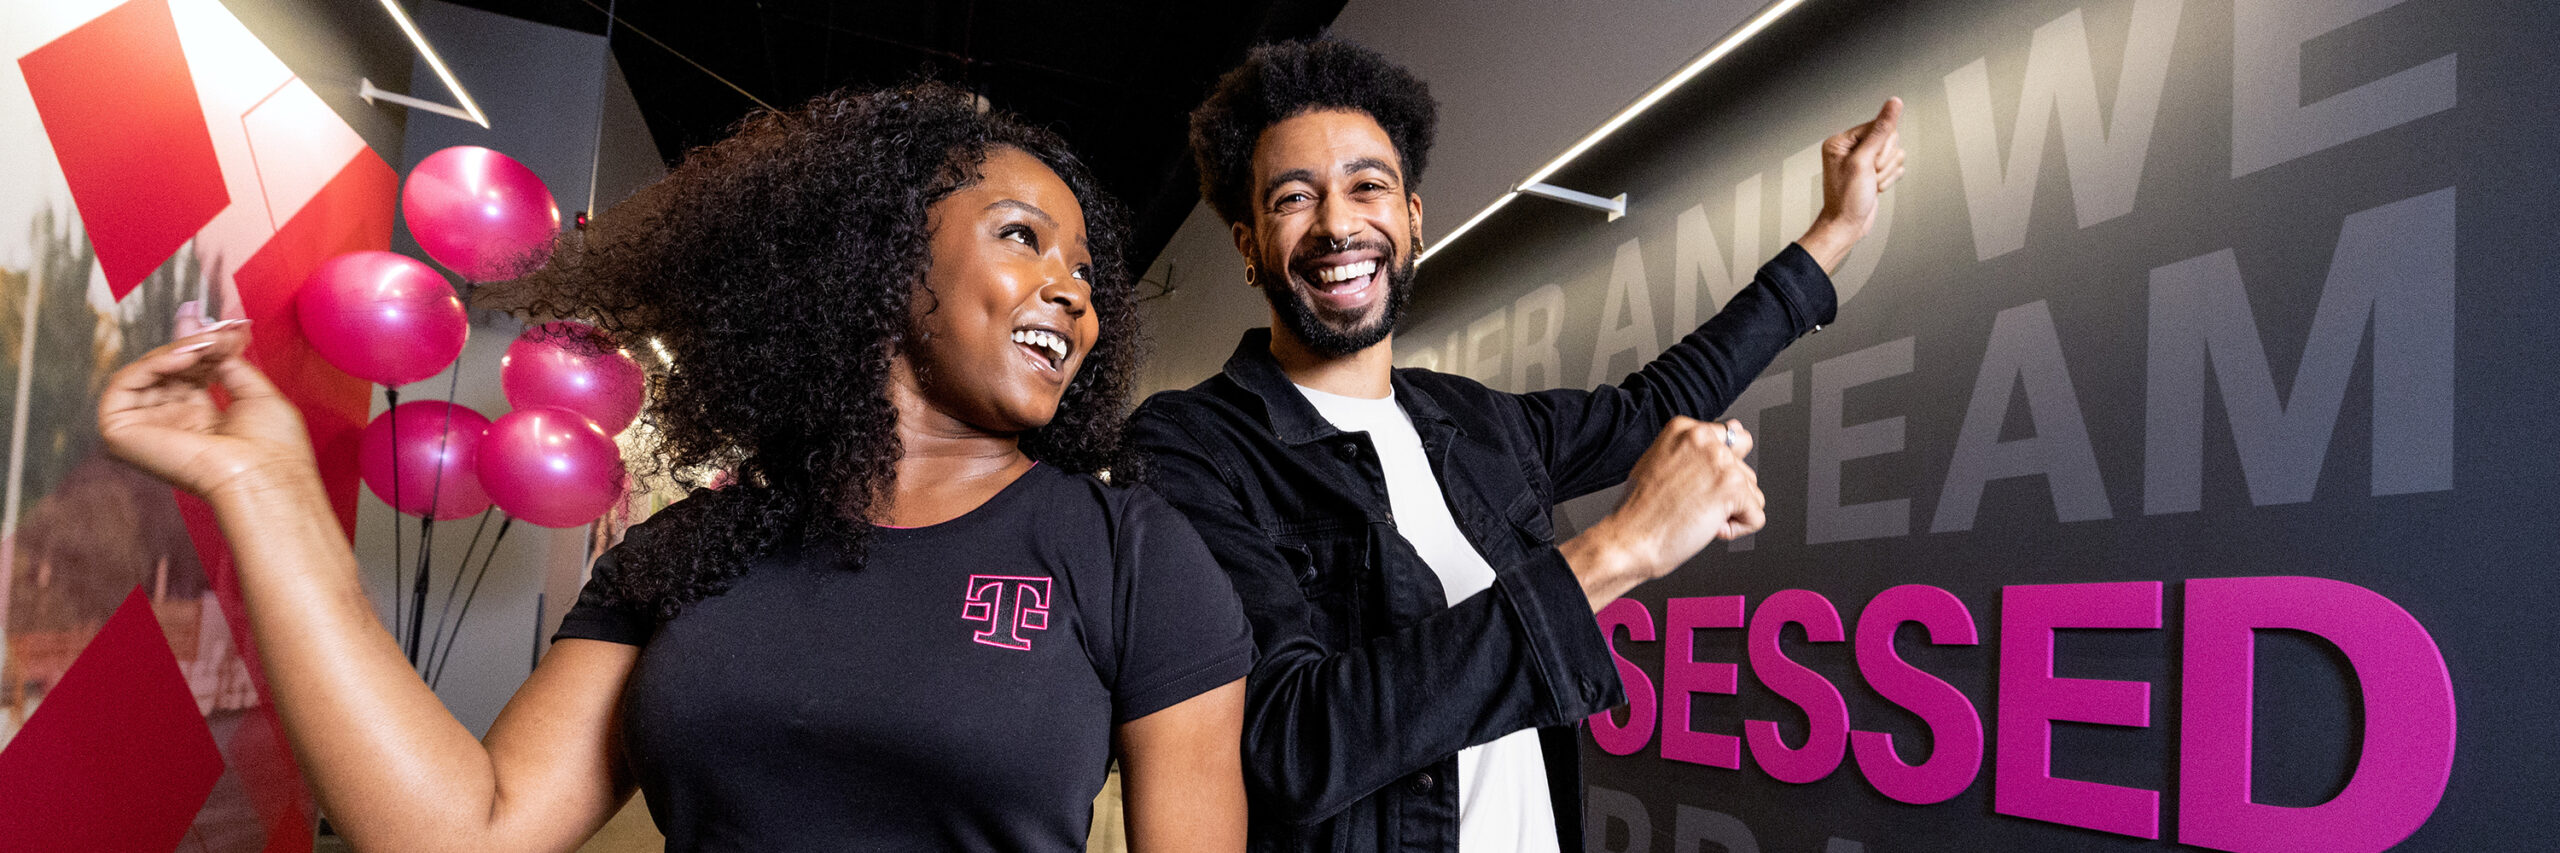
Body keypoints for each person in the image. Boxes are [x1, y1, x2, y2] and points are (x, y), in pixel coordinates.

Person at [98, 82, 1255, 852]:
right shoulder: (693, 552)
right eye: (1022, 235)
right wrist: (268, 489)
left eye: (1088, 272)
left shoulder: (1134, 560)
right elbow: (473, 827)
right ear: (882, 257)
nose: (1075, 289)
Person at [1127, 40, 1905, 852]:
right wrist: (1619, 552)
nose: (1338, 223)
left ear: (1412, 220)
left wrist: (1835, 232)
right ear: (1251, 246)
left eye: (1368, 186)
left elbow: (1659, 402)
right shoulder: (1191, 445)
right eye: (1294, 198)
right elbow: (1297, 739)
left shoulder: (1478, 421)